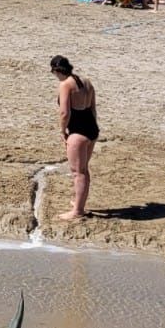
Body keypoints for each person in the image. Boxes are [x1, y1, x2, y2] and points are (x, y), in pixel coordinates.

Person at [51, 56, 98, 222]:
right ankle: (79, 203)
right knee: (83, 169)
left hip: (78, 132)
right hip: (92, 129)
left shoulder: (65, 85)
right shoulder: (86, 82)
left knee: (78, 172)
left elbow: (65, 113)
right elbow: (93, 109)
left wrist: (62, 131)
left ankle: (78, 211)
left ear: (56, 71)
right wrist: (92, 130)